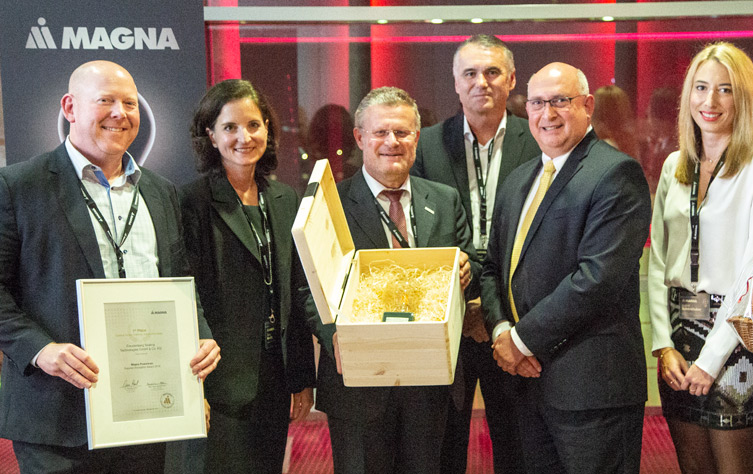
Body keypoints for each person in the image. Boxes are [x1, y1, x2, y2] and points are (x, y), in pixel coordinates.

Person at [0, 60, 220, 473]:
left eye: (130, 103)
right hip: (55, 418)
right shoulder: (18, 186)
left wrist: (200, 337)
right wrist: (40, 350)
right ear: (70, 108)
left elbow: (178, 284)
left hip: (144, 413)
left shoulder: (161, 192)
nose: (121, 112)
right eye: (106, 100)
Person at [480, 62, 651, 473]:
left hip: (592, 393)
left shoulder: (615, 174)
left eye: (561, 101)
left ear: (588, 105)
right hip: (527, 386)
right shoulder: (519, 180)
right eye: (537, 103)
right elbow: (492, 269)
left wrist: (519, 341)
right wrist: (501, 329)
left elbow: (595, 280)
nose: (548, 114)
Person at [311, 86, 480, 474]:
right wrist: (331, 333)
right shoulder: (331, 204)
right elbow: (309, 288)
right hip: (359, 383)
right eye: (380, 132)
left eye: (402, 133)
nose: (392, 142)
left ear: (416, 138)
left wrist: (466, 270)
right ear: (359, 138)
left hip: (430, 382)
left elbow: (470, 264)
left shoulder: (445, 199)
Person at [648, 42, 753, 474]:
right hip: (678, 337)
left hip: (736, 341)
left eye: (725, 90)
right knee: (693, 468)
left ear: (742, 98)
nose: (710, 102)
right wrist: (662, 344)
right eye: (701, 87)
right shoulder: (675, 165)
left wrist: (710, 361)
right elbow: (657, 260)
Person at [411, 33, 540, 474]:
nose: (480, 82)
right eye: (470, 73)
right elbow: (418, 231)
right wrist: (466, 304)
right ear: (455, 82)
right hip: (447, 317)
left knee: (518, 445)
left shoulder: (538, 140)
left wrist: (493, 310)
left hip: (516, 317)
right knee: (443, 445)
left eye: (491, 72)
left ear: (511, 79)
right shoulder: (426, 145)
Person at [179, 79, 316, 474]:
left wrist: (301, 377)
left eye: (254, 125)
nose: (244, 137)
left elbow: (296, 289)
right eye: (230, 127)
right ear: (211, 135)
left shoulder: (285, 198)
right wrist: (195, 387)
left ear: (268, 129)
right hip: (219, 382)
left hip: (275, 377)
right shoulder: (192, 202)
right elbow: (187, 294)